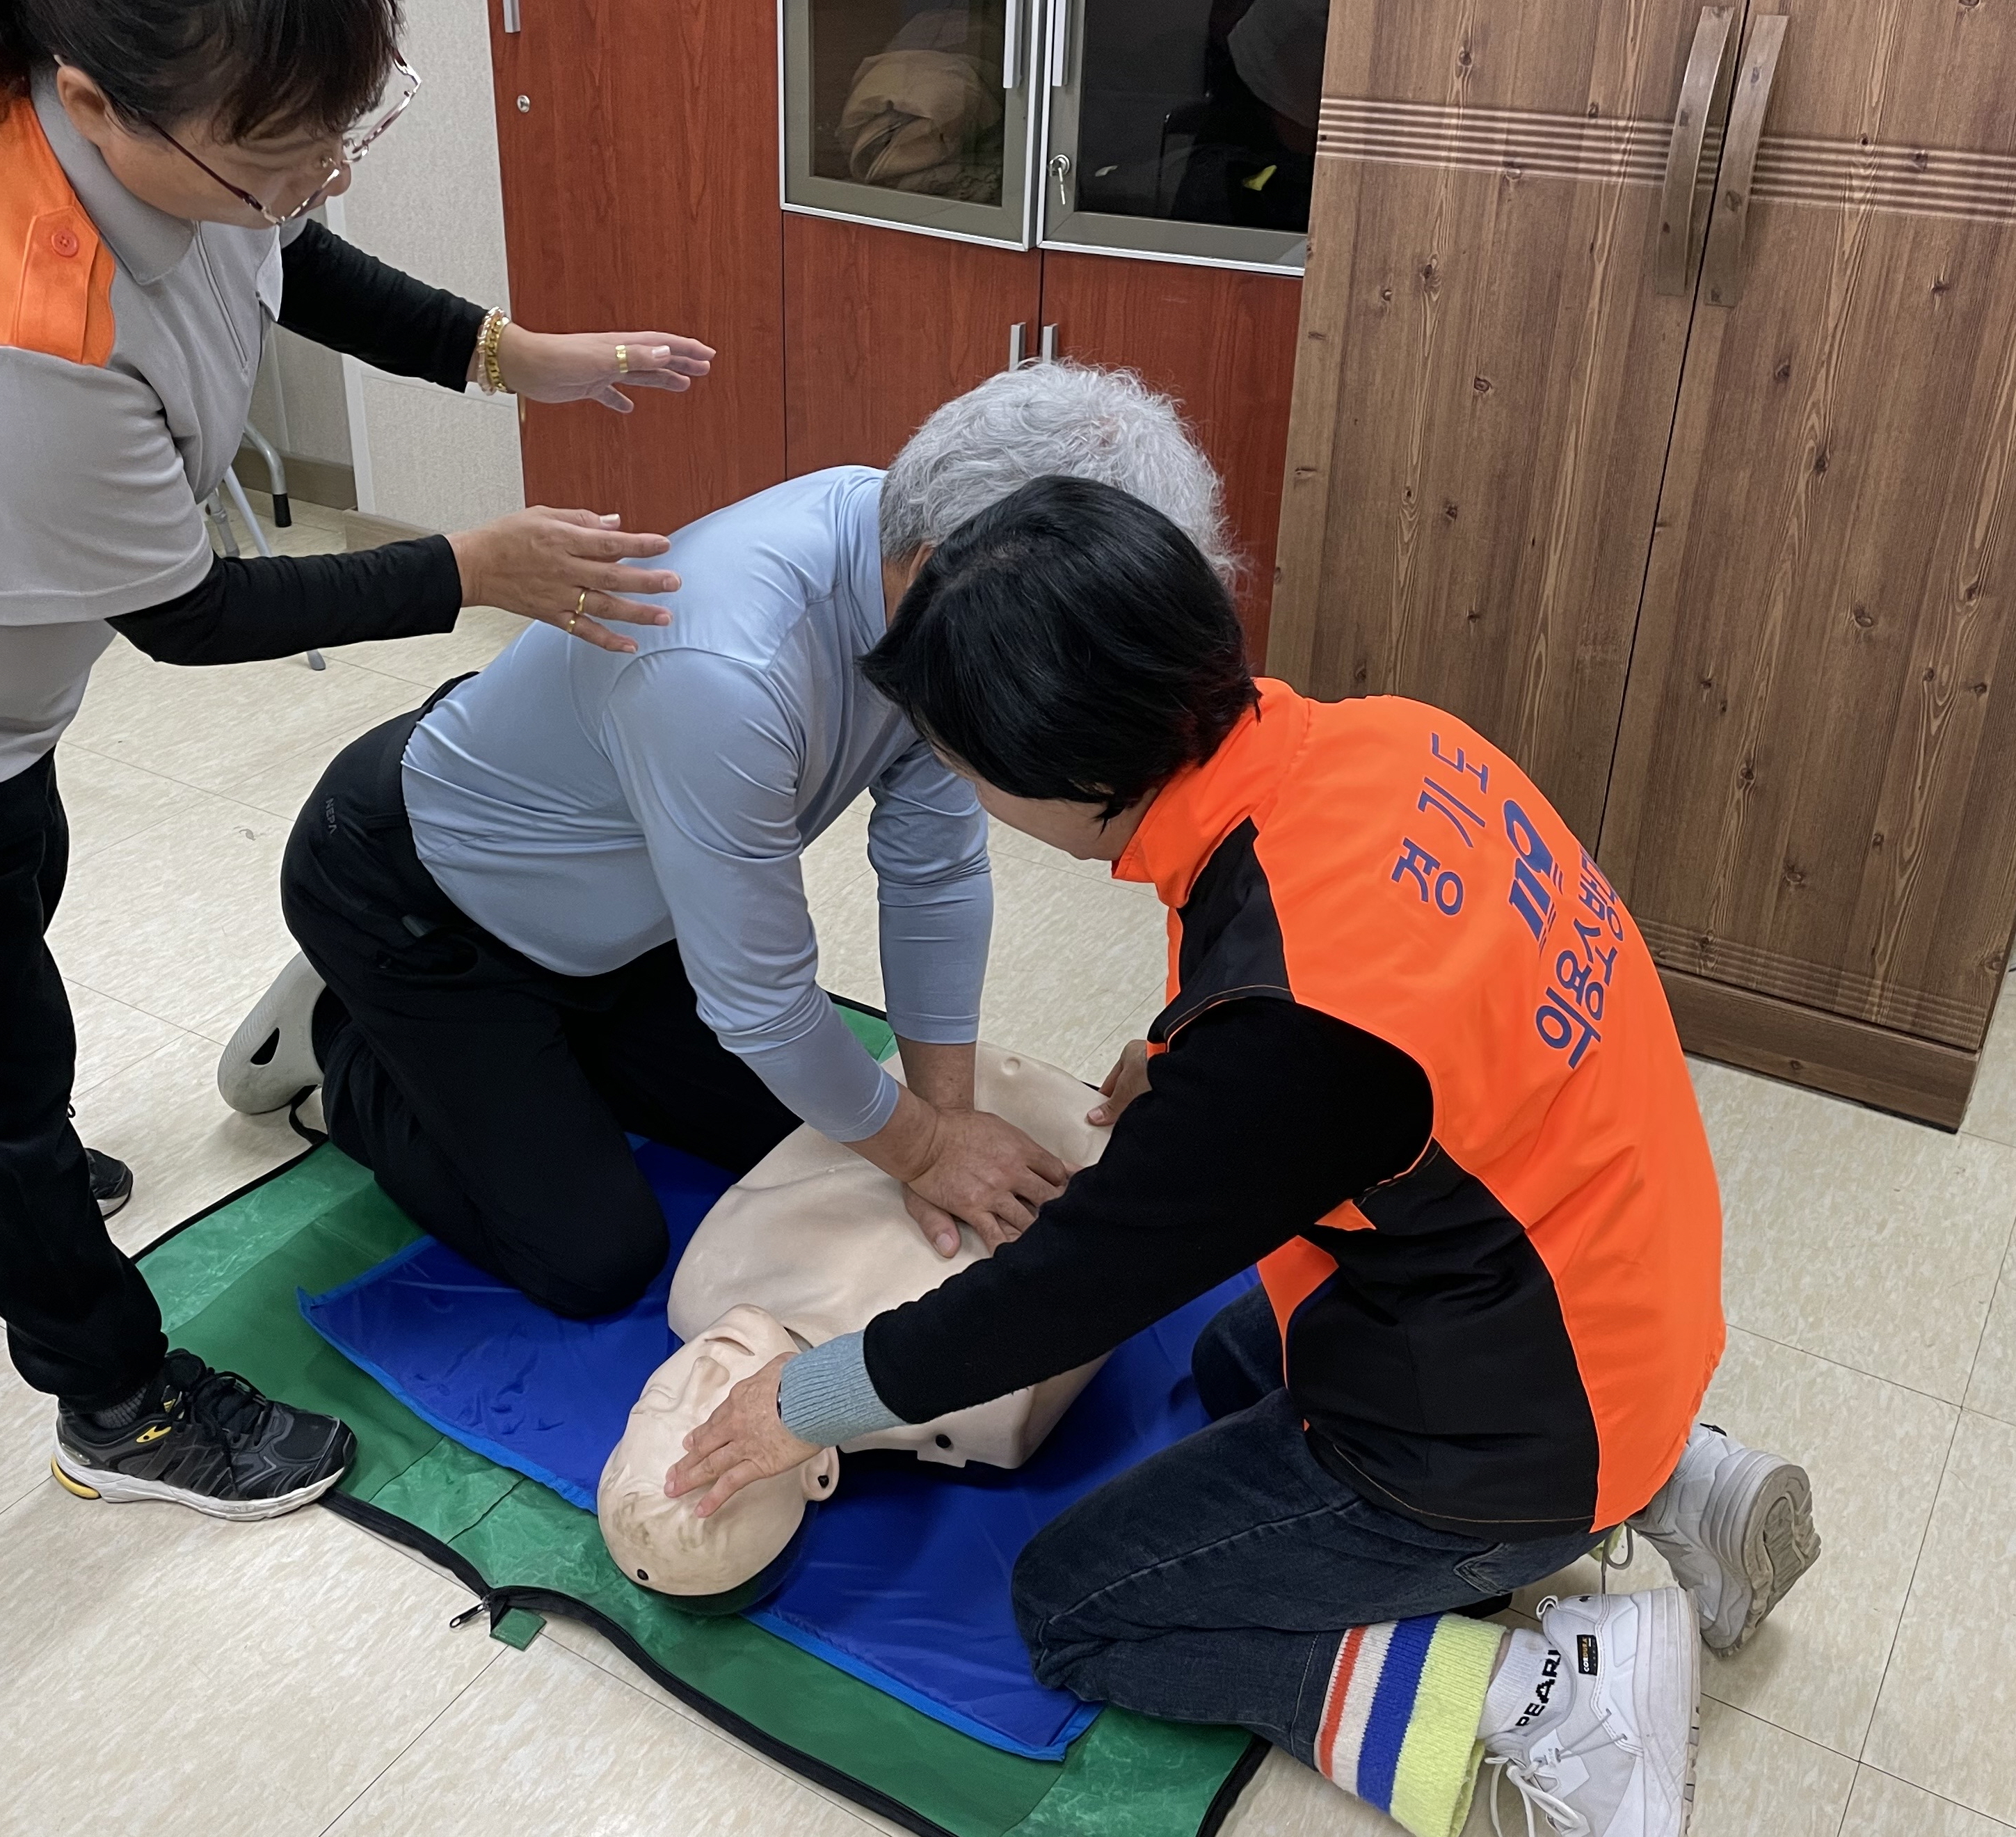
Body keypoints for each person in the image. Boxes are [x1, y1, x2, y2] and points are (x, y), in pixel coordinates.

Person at [0, 0, 714, 1522]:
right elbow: (185, 610)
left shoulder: (131, 97)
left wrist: (512, 354)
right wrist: (475, 568)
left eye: (341, 129)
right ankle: (116, 1401)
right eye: (282, 152)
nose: (320, 178)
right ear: (98, 104)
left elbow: (280, 252)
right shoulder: (2, 314)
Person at [667, 479, 1823, 1837]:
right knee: (1231, 1363)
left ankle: (1547, 1694)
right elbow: (1422, 1012)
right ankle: (1680, 1478)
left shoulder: (1290, 1035)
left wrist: (807, 1398)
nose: (954, 788)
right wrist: (1191, 1059)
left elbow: (1066, 1287)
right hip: (1611, 1286)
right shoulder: (1384, 738)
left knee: (1079, 1610)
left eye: (958, 761)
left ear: (1061, 777)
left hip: (1528, 1414)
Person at [219, 363, 1234, 1317]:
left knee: (811, 1136)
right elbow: (761, 1003)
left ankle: (545, 1056)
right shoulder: (725, 665)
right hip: (416, 898)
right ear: (946, 568)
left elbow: (934, 872)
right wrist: (922, 1150)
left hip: (626, 910)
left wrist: (942, 1117)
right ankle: (342, 1031)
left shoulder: (940, 582)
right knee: (593, 1258)